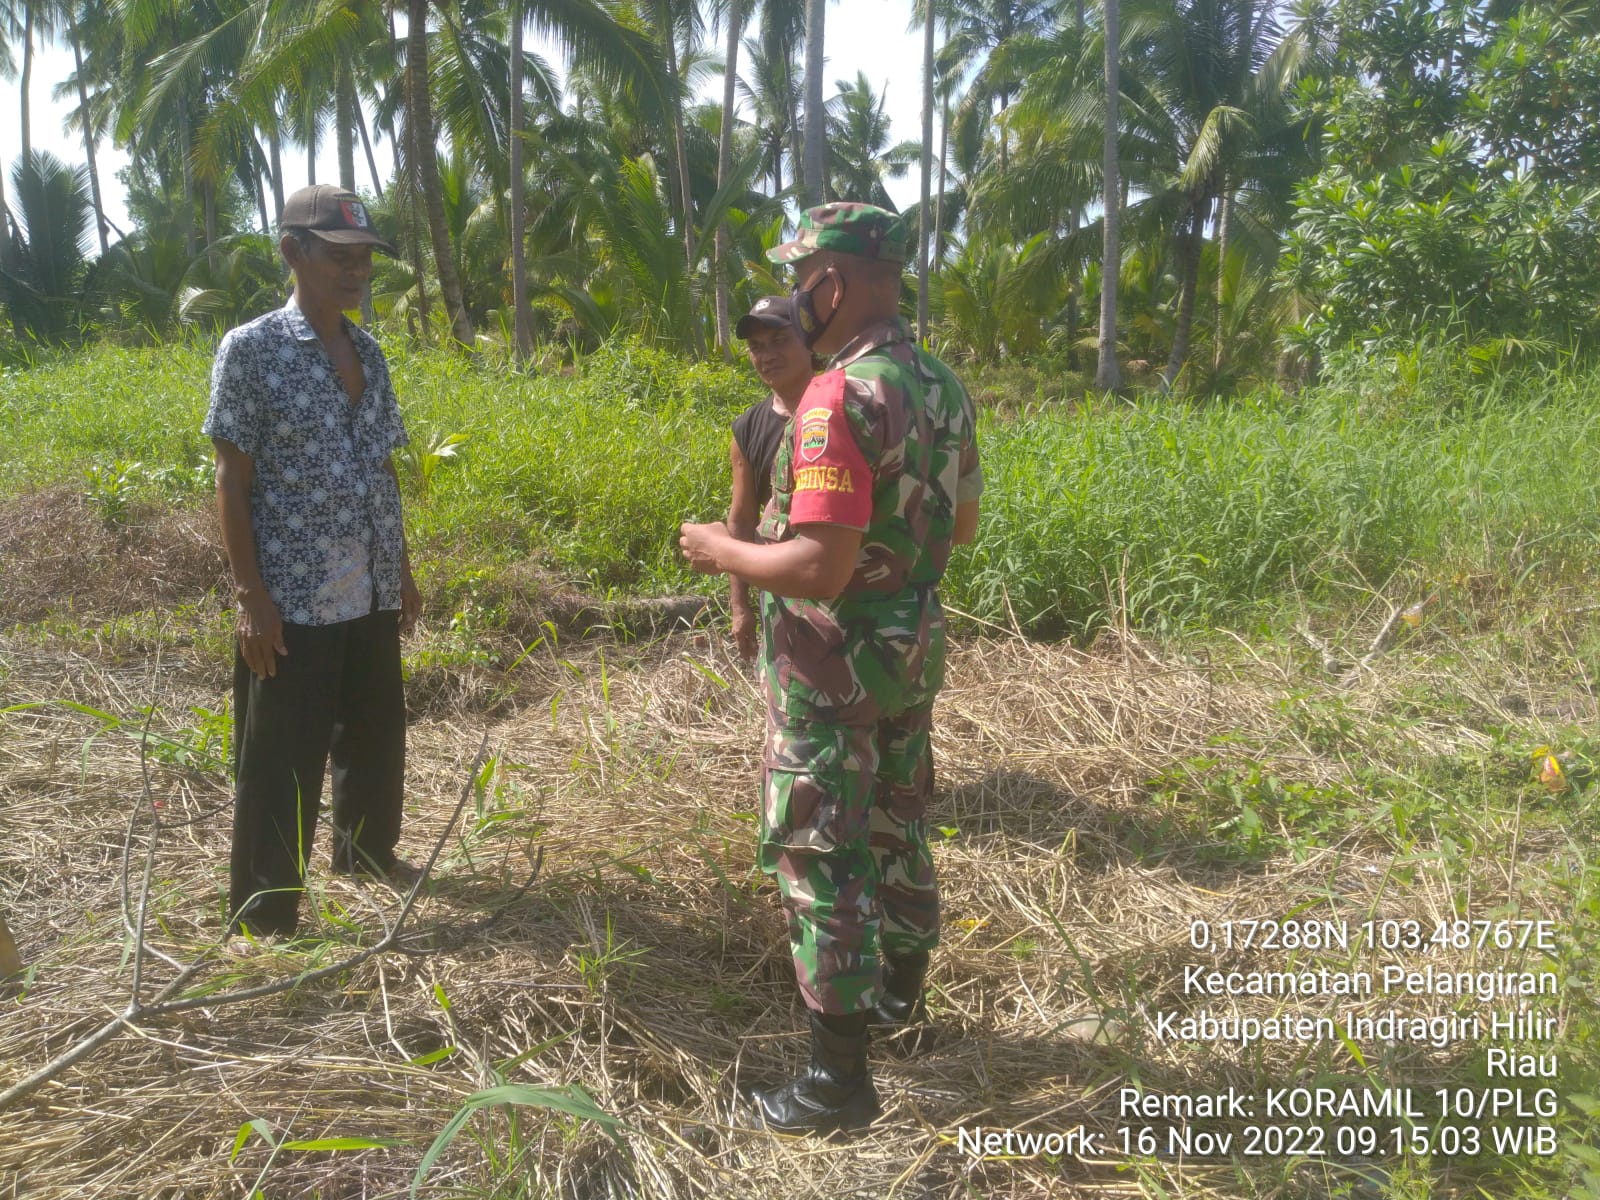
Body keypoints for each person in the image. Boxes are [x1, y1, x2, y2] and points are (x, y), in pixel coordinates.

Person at [680, 202, 982, 1134]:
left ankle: (835, 1081)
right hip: (913, 644)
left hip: (831, 659)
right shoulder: (938, 383)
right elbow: (961, 524)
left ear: (835, 285)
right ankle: (899, 1001)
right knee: (899, 815)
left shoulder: (836, 398)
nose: (798, 298)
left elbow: (817, 565)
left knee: (821, 846)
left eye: (802, 278)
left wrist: (721, 551)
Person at [203, 184, 422, 944]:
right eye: (339, 255)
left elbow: (382, 469)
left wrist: (403, 567)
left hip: (369, 584)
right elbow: (234, 477)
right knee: (280, 755)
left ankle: (367, 856)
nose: (357, 270)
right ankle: (266, 914)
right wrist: (250, 596)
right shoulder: (252, 349)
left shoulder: (370, 350)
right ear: (294, 252)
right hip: (292, 595)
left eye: (365, 257)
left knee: (373, 731)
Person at [728, 296, 816, 659]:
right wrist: (740, 606)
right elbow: (742, 518)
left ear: (809, 342)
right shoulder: (748, 428)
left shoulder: (842, 409)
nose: (767, 355)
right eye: (756, 347)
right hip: (778, 598)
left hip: (843, 592)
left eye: (780, 340)